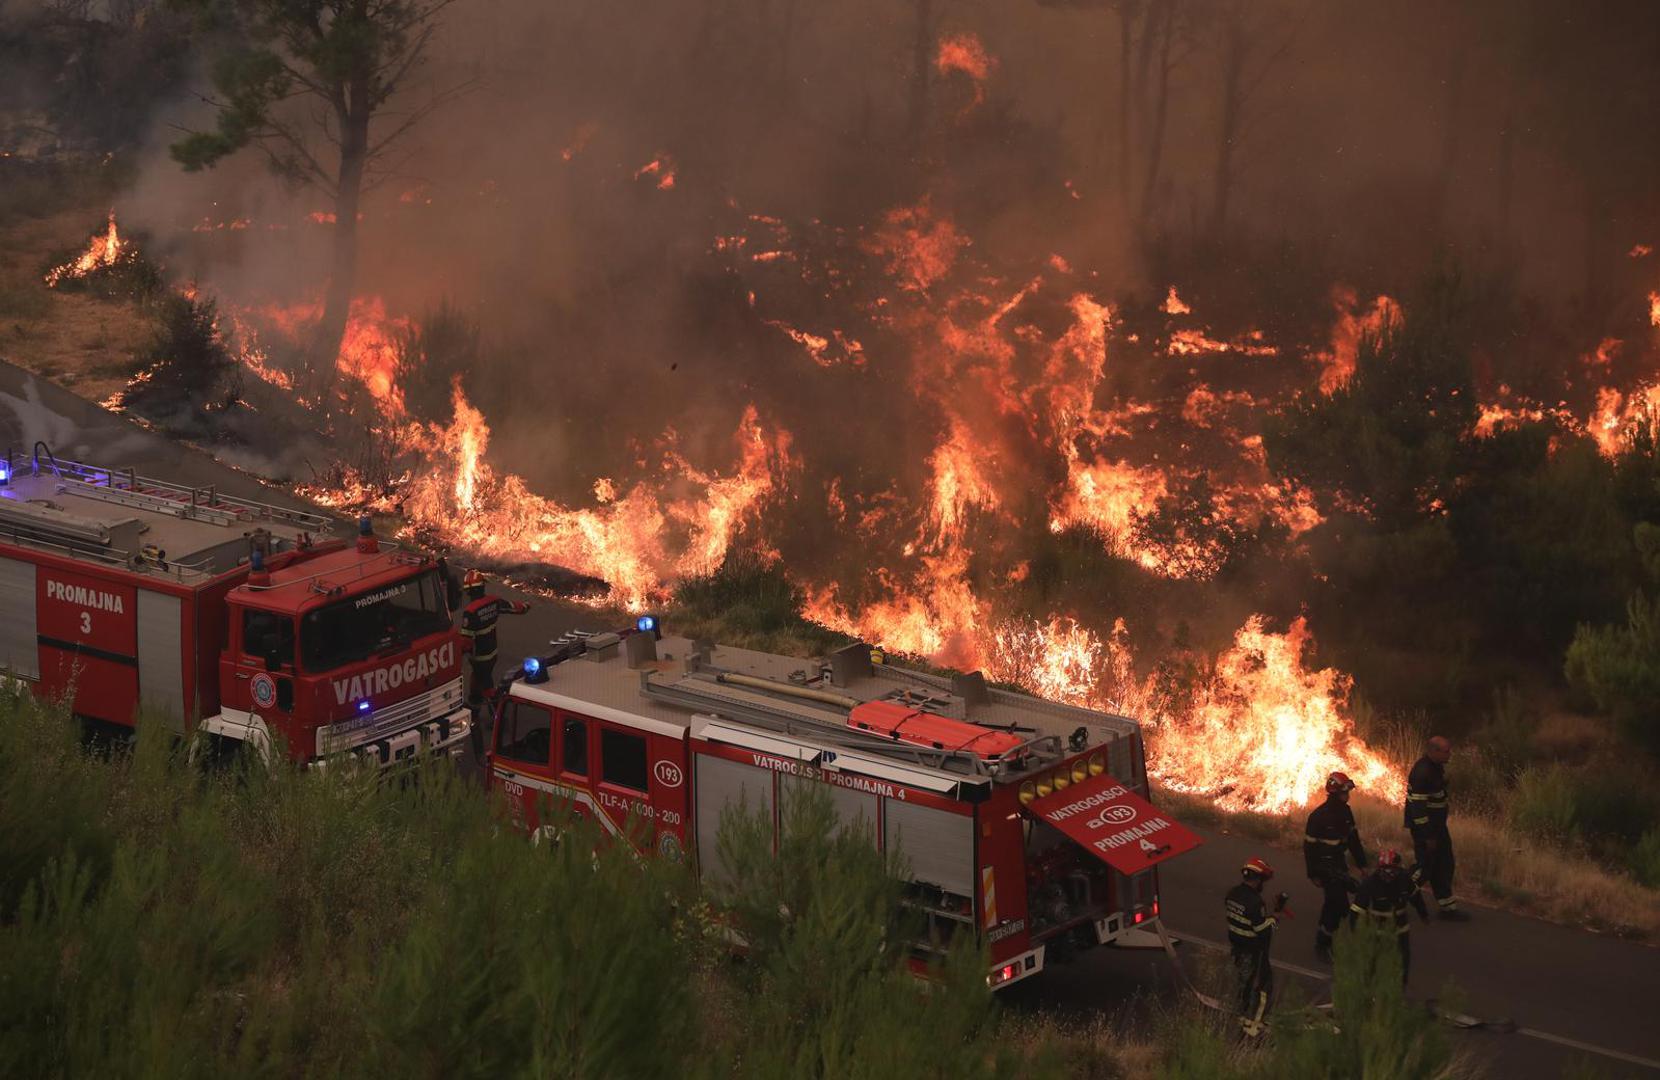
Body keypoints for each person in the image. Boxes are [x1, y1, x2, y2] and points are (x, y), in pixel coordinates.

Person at [458, 570, 531, 752]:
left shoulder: (470, 612)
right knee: (476, 684)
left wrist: (455, 656)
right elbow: (514, 607)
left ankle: (499, 716)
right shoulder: (493, 601)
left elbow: (466, 641)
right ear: (482, 587)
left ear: (469, 591)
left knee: (487, 686)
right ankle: (474, 713)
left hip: (479, 657)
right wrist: (526, 606)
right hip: (492, 653)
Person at [1304, 771, 1367, 964]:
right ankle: (1324, 945)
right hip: (1324, 867)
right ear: (1335, 792)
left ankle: (1324, 940)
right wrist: (1313, 873)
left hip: (1338, 864)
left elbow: (1354, 840)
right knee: (1340, 906)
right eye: (1344, 791)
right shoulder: (1318, 816)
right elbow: (1309, 848)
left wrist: (1362, 864)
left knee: (1332, 904)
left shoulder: (1346, 812)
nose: (1348, 795)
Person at [1405, 735, 1469, 920]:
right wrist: (1428, 836)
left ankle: (1447, 908)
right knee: (1425, 868)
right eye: (1446, 751)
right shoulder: (1422, 772)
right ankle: (1396, 893)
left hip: (1438, 828)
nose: (1450, 754)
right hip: (1427, 830)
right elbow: (1417, 810)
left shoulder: (1435, 767)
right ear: (1434, 751)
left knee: (1445, 864)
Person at [1225, 856, 1286, 1037]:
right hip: (1254, 952)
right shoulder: (1256, 903)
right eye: (1263, 880)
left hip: (1237, 948)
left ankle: (1241, 1017)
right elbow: (1262, 930)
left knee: (1244, 984)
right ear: (1258, 879)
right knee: (1263, 987)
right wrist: (1275, 918)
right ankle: (1254, 1027)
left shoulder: (1232, 894)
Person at [1349, 849, 1430, 985]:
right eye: (1384, 869)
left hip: (1400, 929)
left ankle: (1398, 993)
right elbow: (1356, 911)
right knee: (1372, 962)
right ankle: (1368, 991)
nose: (1388, 874)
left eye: (1392, 869)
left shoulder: (1404, 880)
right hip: (1377, 932)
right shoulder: (1370, 884)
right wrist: (1356, 933)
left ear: (1399, 868)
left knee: (1402, 962)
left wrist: (1423, 914)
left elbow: (1415, 897)